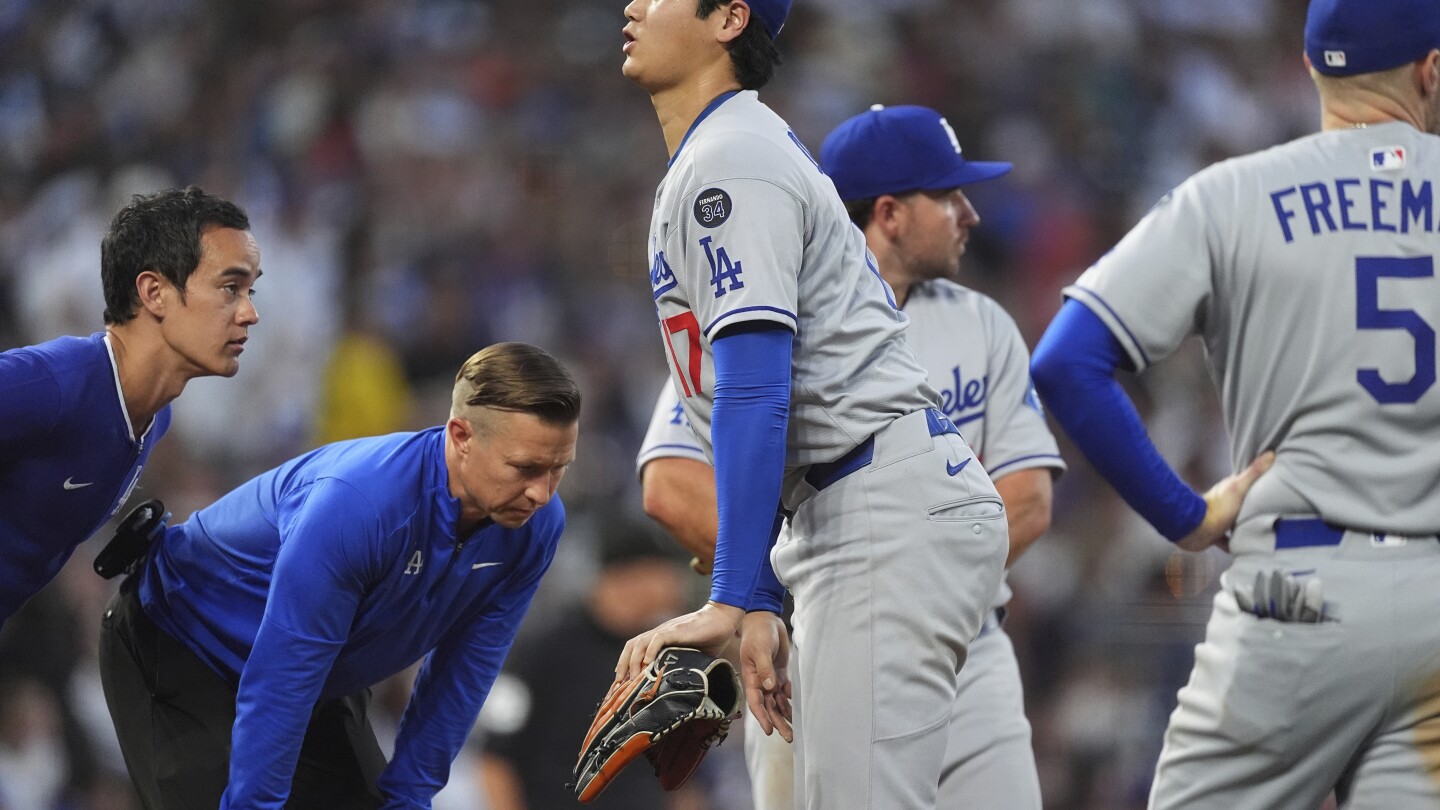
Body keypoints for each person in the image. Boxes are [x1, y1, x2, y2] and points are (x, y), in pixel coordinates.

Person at [1029, 0, 1440, 806]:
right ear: (1432, 71)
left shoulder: (1231, 195)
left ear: (1313, 65)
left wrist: (1183, 515)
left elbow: (1067, 361)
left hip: (1299, 597)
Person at [618, 2, 1010, 808]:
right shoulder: (728, 151)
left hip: (878, 502)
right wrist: (762, 595)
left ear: (729, 19)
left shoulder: (733, 157)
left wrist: (730, 595)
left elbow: (756, 387)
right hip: (850, 506)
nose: (634, 5)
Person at [98, 342, 581, 809]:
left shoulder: (536, 526)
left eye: (558, 469)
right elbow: (282, 673)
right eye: (525, 468)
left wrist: (410, 796)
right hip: (182, 640)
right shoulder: (361, 506)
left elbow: (466, 670)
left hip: (313, 673)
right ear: (461, 436)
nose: (541, 493)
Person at [0, 186, 260, 628]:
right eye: (230, 288)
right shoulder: (56, 385)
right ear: (154, 292)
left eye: (251, 291)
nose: (250, 313)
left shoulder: (156, 418)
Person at [480, 521, 691, 810]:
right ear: (632, 577)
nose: (675, 585)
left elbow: (682, 770)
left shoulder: (667, 656)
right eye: (664, 573)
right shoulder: (542, 649)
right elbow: (495, 758)